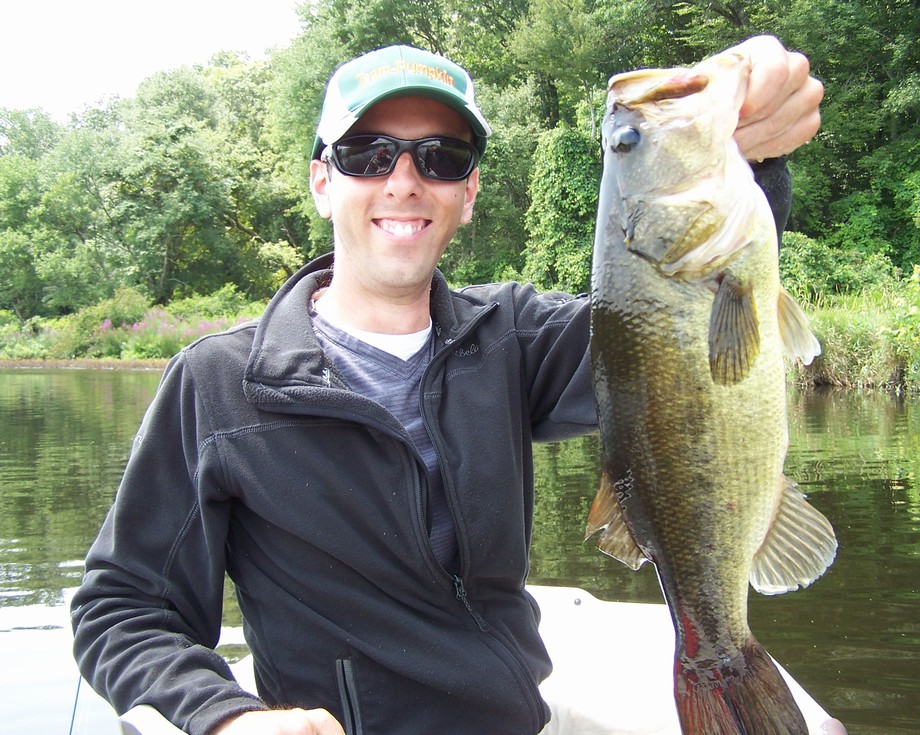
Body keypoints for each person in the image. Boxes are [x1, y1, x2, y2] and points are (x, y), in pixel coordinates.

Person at [71, 37, 824, 735]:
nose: (404, 181)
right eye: (368, 154)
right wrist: (225, 716)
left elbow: (673, 325)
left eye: (441, 157)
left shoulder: (513, 339)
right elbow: (121, 607)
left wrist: (752, 151)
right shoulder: (219, 385)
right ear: (322, 182)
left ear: (467, 193)